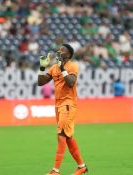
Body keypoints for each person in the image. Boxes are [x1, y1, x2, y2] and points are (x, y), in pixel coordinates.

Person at [37, 44, 88, 175]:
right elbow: (41, 82)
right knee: (68, 136)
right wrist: (42, 67)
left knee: (61, 134)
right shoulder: (54, 67)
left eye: (63, 50)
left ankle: (55, 170)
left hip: (68, 104)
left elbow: (71, 82)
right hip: (58, 105)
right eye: (59, 49)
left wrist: (62, 68)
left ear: (69, 54)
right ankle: (81, 166)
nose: (59, 51)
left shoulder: (73, 66)